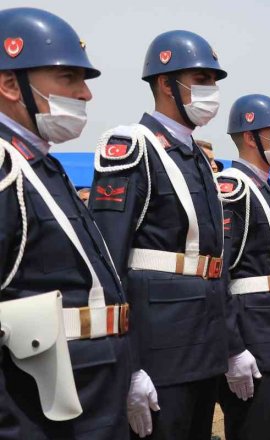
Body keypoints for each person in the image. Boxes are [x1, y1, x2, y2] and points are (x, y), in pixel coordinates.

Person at [89, 29, 228, 439]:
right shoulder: (134, 146)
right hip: (157, 353)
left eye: (214, 81)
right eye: (201, 80)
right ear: (167, 84)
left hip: (203, 347)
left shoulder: (195, 156)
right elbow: (107, 263)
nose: (212, 91)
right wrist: (128, 366)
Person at [0, 8, 130, 439]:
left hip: (87, 397)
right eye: (68, 78)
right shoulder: (7, 168)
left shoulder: (38, 162)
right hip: (35, 413)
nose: (86, 94)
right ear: (9, 84)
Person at [215, 94, 270, 440]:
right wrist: (233, 348)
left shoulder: (266, 188)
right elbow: (220, 274)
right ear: (250, 137)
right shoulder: (234, 189)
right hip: (252, 339)